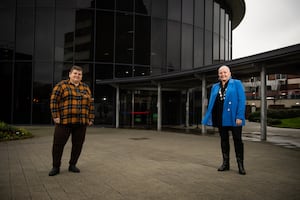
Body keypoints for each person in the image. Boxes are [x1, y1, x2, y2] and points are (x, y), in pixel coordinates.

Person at [48, 65, 95, 176]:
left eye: (79, 74)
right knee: (58, 145)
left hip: (81, 122)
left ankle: (72, 165)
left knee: (78, 145)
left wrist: (91, 118)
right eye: (75, 73)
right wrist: (55, 116)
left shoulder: (86, 88)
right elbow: (53, 101)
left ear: (81, 76)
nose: (77, 76)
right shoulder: (61, 86)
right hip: (64, 122)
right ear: (70, 74)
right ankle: (56, 167)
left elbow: (90, 104)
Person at [202, 65, 246, 175]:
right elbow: (213, 102)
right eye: (221, 73)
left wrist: (239, 116)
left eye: (225, 72)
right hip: (220, 117)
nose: (223, 74)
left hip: (234, 118)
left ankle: (240, 165)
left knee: (237, 140)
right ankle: (225, 164)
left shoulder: (236, 83)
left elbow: (242, 101)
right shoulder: (215, 87)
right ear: (218, 75)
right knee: (224, 140)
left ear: (230, 73)